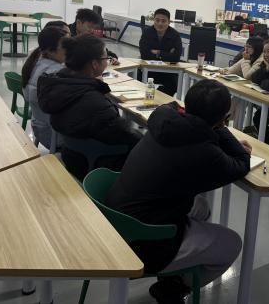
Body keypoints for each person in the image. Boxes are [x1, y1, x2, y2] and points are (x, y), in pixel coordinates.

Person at [107, 79, 251, 304]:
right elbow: (241, 163)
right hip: (143, 242)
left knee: (201, 207)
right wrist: (221, 128)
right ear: (223, 119)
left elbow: (178, 110)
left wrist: (216, 124)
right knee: (232, 244)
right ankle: (173, 288)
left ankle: (175, 271)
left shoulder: (164, 118)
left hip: (116, 217)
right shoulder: (204, 151)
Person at [37, 35, 142, 180]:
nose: (107, 61)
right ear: (94, 64)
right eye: (106, 58)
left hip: (72, 157)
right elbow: (126, 135)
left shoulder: (59, 86)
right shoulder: (94, 102)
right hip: (99, 166)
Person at [21, 25, 70, 148]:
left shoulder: (34, 63)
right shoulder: (56, 73)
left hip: (38, 128)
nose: (68, 50)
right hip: (55, 136)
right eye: (64, 47)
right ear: (49, 50)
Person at [139, 8, 183, 95]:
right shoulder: (147, 33)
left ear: (169, 22)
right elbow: (144, 54)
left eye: (163, 21)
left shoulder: (175, 35)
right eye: (157, 20)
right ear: (154, 20)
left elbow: (176, 57)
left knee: (174, 84)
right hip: (149, 69)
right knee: (136, 78)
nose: (160, 23)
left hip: (167, 71)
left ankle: (158, 98)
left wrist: (158, 53)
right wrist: (167, 54)